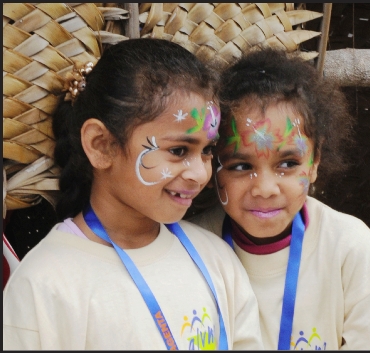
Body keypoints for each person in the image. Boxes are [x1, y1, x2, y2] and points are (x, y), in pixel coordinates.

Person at [3, 38, 263, 350]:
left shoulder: (216, 260)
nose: (199, 174)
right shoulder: (45, 285)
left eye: (207, 151)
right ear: (101, 145)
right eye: (179, 150)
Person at [187, 48, 370, 350]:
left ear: (315, 162)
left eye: (287, 164)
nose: (264, 188)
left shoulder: (352, 252)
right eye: (240, 166)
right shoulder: (191, 250)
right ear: (213, 165)